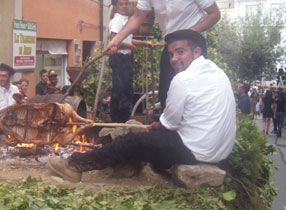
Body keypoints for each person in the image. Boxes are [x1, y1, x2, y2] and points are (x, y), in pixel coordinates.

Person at [48, 30, 235, 182]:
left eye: (180, 52)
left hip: (196, 151)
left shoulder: (183, 79)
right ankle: (127, 167)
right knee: (146, 140)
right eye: (171, 54)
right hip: (220, 152)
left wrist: (156, 127)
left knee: (132, 141)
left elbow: (168, 124)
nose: (174, 59)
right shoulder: (218, 73)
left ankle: (73, 166)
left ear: (196, 52)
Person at [105, 0, 220, 110]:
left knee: (194, 95)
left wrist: (189, 32)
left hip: (194, 48)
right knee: (166, 94)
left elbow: (215, 14)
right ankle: (169, 132)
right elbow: (138, 16)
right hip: (170, 47)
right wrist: (116, 40)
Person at [108, 0, 156, 122]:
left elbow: (129, 40)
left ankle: (123, 117)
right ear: (115, 6)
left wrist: (145, 43)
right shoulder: (117, 21)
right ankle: (119, 120)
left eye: (126, 4)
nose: (124, 6)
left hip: (125, 58)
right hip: (119, 58)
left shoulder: (126, 20)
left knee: (127, 89)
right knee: (121, 90)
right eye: (121, 4)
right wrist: (129, 47)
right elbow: (114, 41)